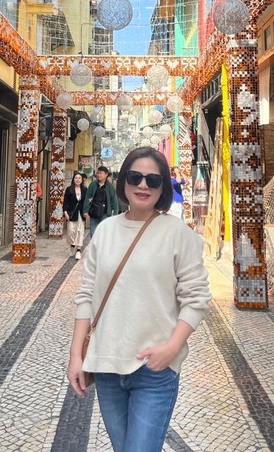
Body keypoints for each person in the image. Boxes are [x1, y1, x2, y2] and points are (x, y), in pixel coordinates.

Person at [68, 147, 212, 452]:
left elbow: (197, 298)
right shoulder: (105, 231)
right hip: (107, 366)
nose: (143, 185)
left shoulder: (177, 233)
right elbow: (87, 295)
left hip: (154, 371)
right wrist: (76, 356)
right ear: (124, 182)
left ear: (162, 188)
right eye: (135, 177)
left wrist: (171, 349)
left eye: (153, 180)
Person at [82, 165, 119, 236]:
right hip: (94, 212)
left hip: (105, 213)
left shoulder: (110, 186)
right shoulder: (93, 185)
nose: (98, 175)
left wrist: (115, 213)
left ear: (106, 174)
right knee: (93, 233)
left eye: (100, 173)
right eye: (97, 173)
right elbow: (88, 197)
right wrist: (85, 211)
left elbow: (114, 200)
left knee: (104, 233)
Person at [63, 171, 87, 260]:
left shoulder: (85, 189)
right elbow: (65, 202)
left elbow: (87, 202)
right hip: (71, 213)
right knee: (71, 231)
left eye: (79, 178)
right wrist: (65, 212)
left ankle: (78, 250)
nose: (77, 180)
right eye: (76, 178)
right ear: (73, 179)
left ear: (82, 180)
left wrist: (87, 211)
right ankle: (72, 245)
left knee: (80, 231)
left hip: (81, 213)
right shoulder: (69, 189)